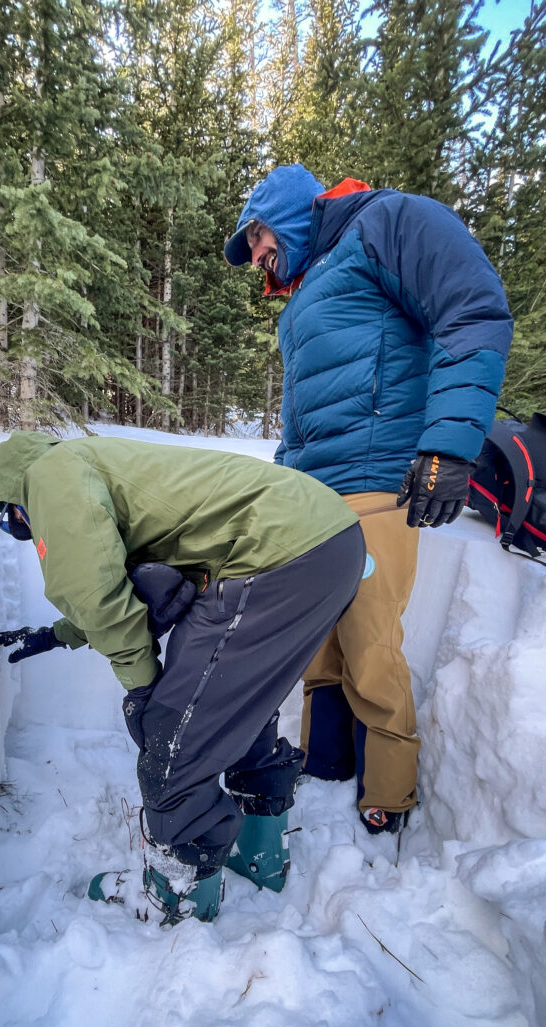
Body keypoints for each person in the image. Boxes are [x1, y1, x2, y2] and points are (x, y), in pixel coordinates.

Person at [224, 163, 513, 834]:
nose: (260, 257)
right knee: (316, 641)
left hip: (376, 484)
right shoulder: (307, 294)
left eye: (261, 238)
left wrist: (447, 444)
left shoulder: (386, 224)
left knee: (370, 640)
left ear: (293, 213)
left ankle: (390, 787)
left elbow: (472, 305)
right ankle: (324, 759)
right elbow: (305, 415)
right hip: (312, 498)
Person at [0, 431, 365, 925]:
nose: (20, 531)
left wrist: (145, 689)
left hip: (274, 554)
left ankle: (177, 896)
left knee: (175, 735)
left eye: (13, 523)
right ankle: (261, 851)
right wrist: (62, 633)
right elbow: (114, 577)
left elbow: (94, 587)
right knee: (232, 704)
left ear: (14, 497)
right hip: (325, 541)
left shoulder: (46, 476)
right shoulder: (95, 464)